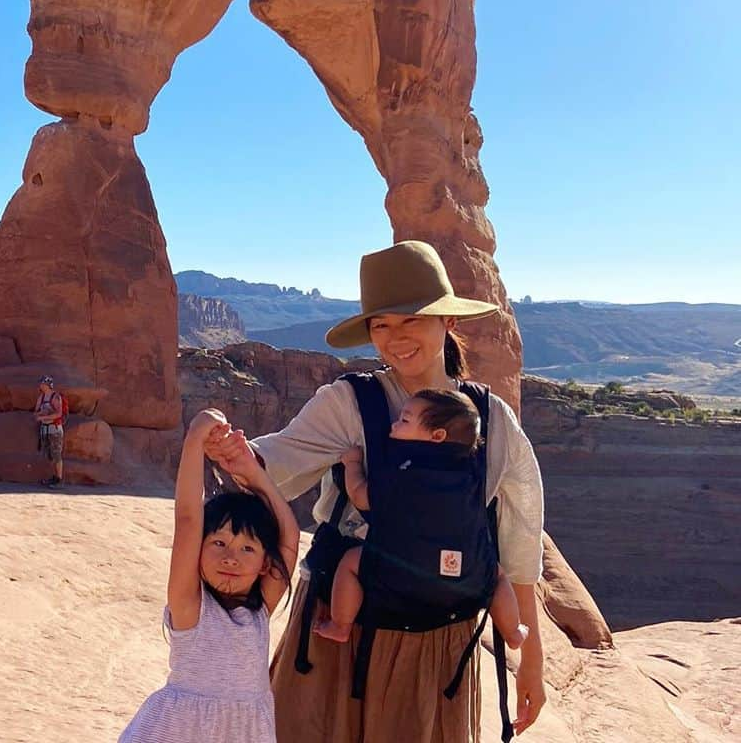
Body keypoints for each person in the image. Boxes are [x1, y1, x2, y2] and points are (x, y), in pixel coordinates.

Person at [206, 241, 546, 742]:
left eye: (411, 321)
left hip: (435, 641)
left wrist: (531, 662)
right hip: (341, 627)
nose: (395, 338)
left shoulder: (492, 420)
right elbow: (280, 460)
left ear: (447, 323)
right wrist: (239, 456)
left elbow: (517, 544)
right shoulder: (350, 401)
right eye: (381, 325)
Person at [118, 408, 300, 743]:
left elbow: (289, 537)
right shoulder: (189, 607)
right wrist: (195, 439)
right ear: (198, 550)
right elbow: (188, 518)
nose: (231, 557)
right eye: (218, 542)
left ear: (264, 564)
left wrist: (252, 473)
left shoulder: (258, 613)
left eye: (248, 549)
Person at [313, 388, 528, 652]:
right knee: (497, 577)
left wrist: (353, 464)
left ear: (437, 436)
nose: (394, 424)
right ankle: (513, 632)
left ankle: (340, 625)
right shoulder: (471, 472)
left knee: (349, 564)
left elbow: (361, 497)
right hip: (463, 571)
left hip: (405, 573)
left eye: (404, 420)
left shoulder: (404, 469)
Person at [34, 375, 66, 488]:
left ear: (47, 385)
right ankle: (53, 477)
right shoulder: (41, 398)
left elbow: (59, 414)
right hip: (45, 429)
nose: (40, 385)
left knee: (57, 454)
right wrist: (40, 414)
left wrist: (44, 417)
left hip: (55, 429)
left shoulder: (55, 397)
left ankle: (59, 480)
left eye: (42, 383)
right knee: (49, 455)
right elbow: (36, 412)